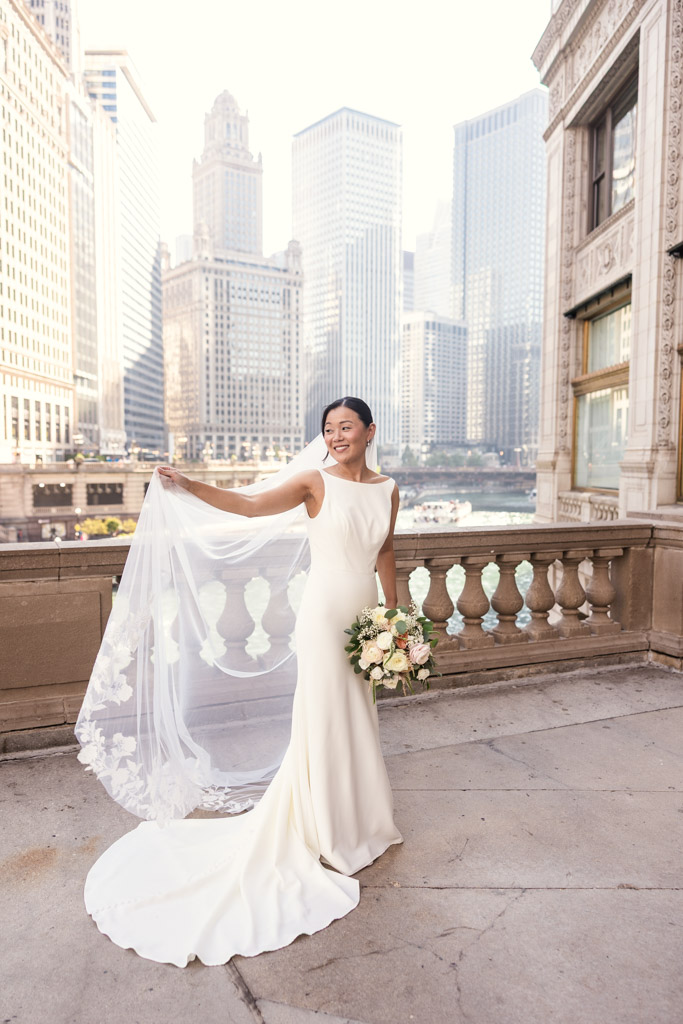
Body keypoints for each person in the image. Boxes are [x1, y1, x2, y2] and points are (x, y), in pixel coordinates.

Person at [78, 397, 403, 966]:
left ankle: (361, 821)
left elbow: (387, 550)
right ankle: (327, 829)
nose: (335, 436)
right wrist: (190, 484)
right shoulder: (312, 482)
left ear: (370, 431)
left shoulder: (388, 488)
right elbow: (250, 506)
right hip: (326, 615)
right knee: (325, 718)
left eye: (346, 427)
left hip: (366, 617)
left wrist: (395, 620)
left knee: (359, 715)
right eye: (328, 429)